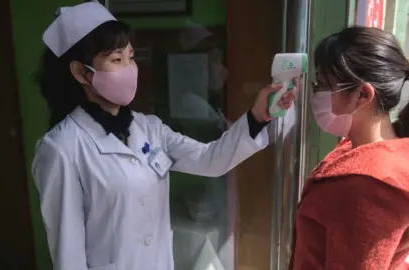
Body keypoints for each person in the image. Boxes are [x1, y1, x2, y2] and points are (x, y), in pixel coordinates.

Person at [32, 2, 296, 270]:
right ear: (81, 72)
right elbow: (69, 256)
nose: (129, 68)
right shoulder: (61, 148)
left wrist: (257, 117)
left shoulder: (149, 128)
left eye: (131, 57)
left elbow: (211, 159)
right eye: (116, 59)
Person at [289, 26, 409, 269]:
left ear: (362, 94)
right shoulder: (393, 153)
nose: (315, 94)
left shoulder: (367, 187)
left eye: (322, 84)